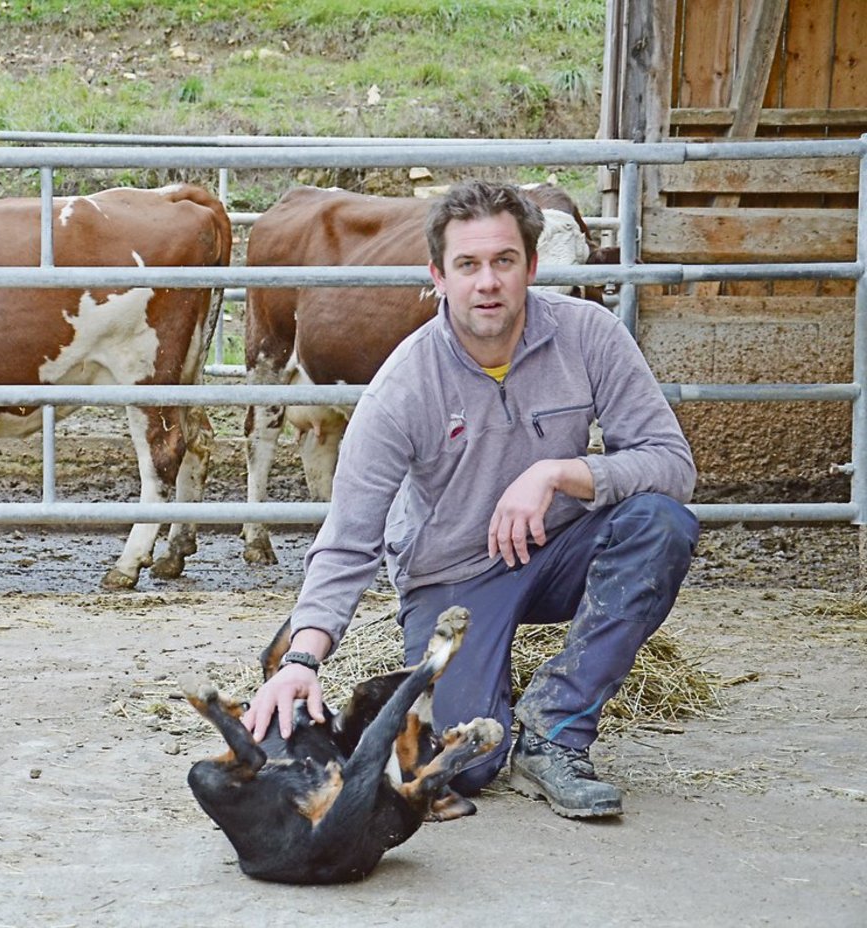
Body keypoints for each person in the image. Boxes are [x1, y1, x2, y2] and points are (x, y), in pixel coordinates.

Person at [242, 180, 699, 819]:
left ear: (531, 267)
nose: (488, 282)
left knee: (660, 522)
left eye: (503, 262)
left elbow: (673, 466)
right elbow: (350, 538)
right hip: (453, 577)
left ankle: (555, 729)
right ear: (438, 276)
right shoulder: (402, 385)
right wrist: (301, 659)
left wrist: (559, 474)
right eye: (468, 265)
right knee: (467, 764)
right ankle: (487, 697)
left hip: (559, 549)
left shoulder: (590, 336)